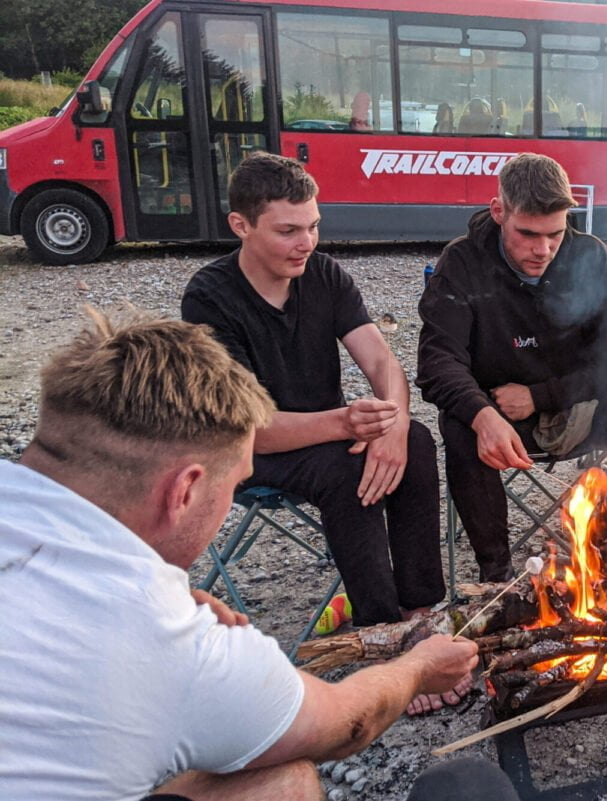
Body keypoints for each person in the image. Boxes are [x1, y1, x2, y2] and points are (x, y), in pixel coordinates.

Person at [0, 308, 480, 801]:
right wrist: (418, 667)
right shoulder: (167, 634)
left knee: (279, 781)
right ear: (184, 490)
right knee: (465, 785)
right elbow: (346, 724)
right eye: (233, 483)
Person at [181, 155, 452, 704]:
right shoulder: (210, 297)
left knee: (419, 442)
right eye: (288, 231)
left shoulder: (324, 274)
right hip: (257, 448)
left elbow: (381, 363)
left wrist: (394, 422)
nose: (306, 242)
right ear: (242, 226)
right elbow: (242, 428)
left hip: (328, 431)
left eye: (313, 226)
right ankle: (381, 632)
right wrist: (347, 423)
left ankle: (419, 608)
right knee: (344, 467)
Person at [417, 153, 607, 582]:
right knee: (458, 426)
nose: (542, 250)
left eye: (554, 234)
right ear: (498, 212)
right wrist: (482, 414)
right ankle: (497, 574)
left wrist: (540, 396)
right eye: (527, 234)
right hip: (501, 421)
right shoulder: (463, 264)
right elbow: (437, 362)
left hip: (577, 407)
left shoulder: (591, 257)